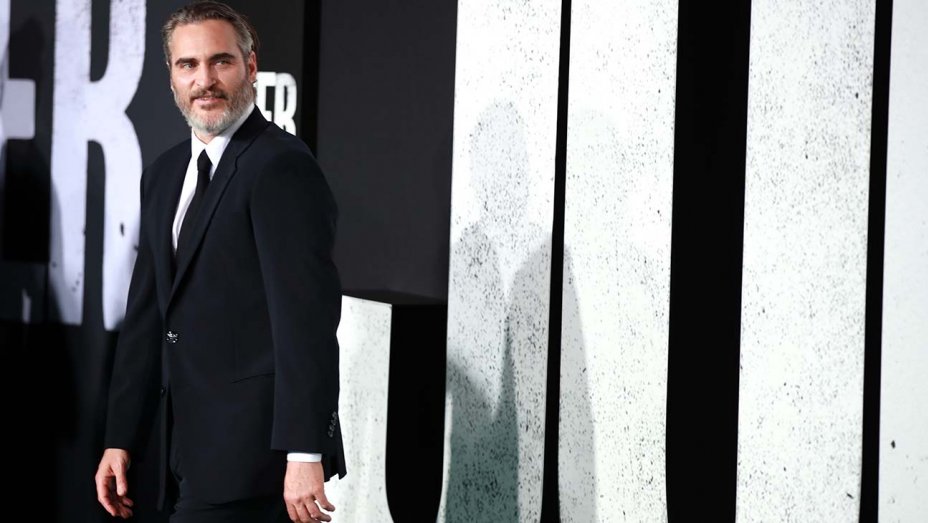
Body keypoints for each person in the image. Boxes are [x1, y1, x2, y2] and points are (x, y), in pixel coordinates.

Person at [93, 2, 345, 521]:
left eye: (220, 62)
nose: (204, 80)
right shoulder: (164, 174)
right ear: (171, 77)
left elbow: (306, 323)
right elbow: (146, 317)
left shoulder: (280, 166)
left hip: (255, 459)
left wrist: (304, 452)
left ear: (250, 67)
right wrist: (121, 436)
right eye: (188, 65)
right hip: (176, 454)